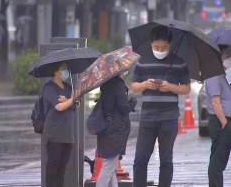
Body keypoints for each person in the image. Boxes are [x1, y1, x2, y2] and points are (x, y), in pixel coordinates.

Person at [131, 26, 191, 187]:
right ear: (151, 44)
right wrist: (145, 84)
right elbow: (134, 87)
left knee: (166, 159)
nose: (160, 50)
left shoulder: (179, 63)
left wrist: (170, 87)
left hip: (169, 118)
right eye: (156, 47)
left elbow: (186, 88)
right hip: (147, 118)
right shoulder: (143, 62)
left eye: (163, 48)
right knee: (140, 159)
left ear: (170, 45)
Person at [96, 74, 137, 187]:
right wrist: (132, 102)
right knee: (108, 167)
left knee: (111, 167)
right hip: (115, 130)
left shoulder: (107, 84)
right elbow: (124, 108)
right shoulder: (118, 85)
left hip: (108, 128)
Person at [42, 62, 75, 187]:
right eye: (63, 69)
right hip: (54, 132)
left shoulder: (67, 87)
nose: (66, 71)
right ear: (56, 72)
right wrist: (71, 99)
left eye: (67, 69)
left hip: (67, 132)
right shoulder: (49, 88)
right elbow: (59, 107)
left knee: (62, 164)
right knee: (53, 164)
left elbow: (77, 105)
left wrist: (70, 100)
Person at [204, 44, 231, 187]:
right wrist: (224, 123)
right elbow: (215, 103)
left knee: (223, 158)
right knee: (218, 160)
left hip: (227, 120)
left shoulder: (225, 75)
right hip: (221, 121)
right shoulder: (213, 76)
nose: (229, 58)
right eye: (226, 56)